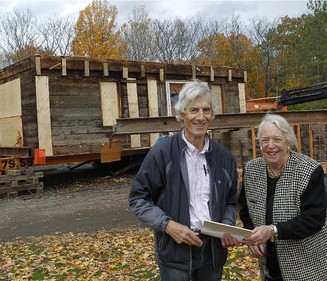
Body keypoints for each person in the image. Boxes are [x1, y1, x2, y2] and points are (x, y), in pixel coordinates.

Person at [129, 80, 239, 281]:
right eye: (193, 110)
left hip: (212, 254)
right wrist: (168, 225)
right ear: (181, 114)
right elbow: (138, 199)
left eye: (206, 110)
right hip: (175, 254)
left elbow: (231, 202)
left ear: (212, 115)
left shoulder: (224, 158)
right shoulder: (162, 154)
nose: (200, 117)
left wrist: (226, 225)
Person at [238, 113, 327, 281]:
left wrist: (273, 230)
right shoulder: (251, 170)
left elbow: (314, 219)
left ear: (288, 140)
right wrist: (252, 237)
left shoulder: (308, 170)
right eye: (265, 140)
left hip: (306, 267)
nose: (271, 146)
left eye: (277, 139)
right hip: (269, 267)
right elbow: (246, 209)